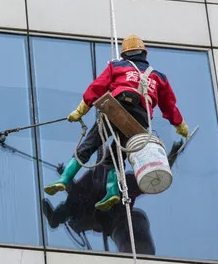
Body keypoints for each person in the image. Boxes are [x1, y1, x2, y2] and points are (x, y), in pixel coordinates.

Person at [44, 34, 189, 211]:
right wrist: (180, 125)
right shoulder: (159, 77)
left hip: (115, 109)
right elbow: (169, 106)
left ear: (125, 54)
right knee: (114, 157)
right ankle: (112, 191)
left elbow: (96, 88)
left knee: (88, 146)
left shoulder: (116, 66)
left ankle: (64, 179)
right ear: (144, 54)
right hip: (139, 121)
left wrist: (79, 111)